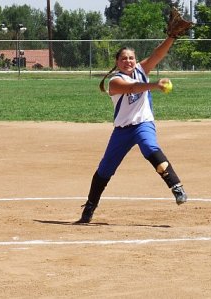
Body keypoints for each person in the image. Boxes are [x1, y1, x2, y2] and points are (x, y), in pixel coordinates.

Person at [75, 36, 187, 224]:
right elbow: (133, 88)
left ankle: (176, 186)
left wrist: (172, 37)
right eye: (123, 58)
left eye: (131, 58)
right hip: (122, 130)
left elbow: (158, 53)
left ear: (136, 61)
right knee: (105, 170)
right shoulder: (115, 81)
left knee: (149, 147)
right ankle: (90, 206)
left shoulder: (141, 70)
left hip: (143, 123)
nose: (128, 61)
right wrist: (155, 85)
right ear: (117, 62)